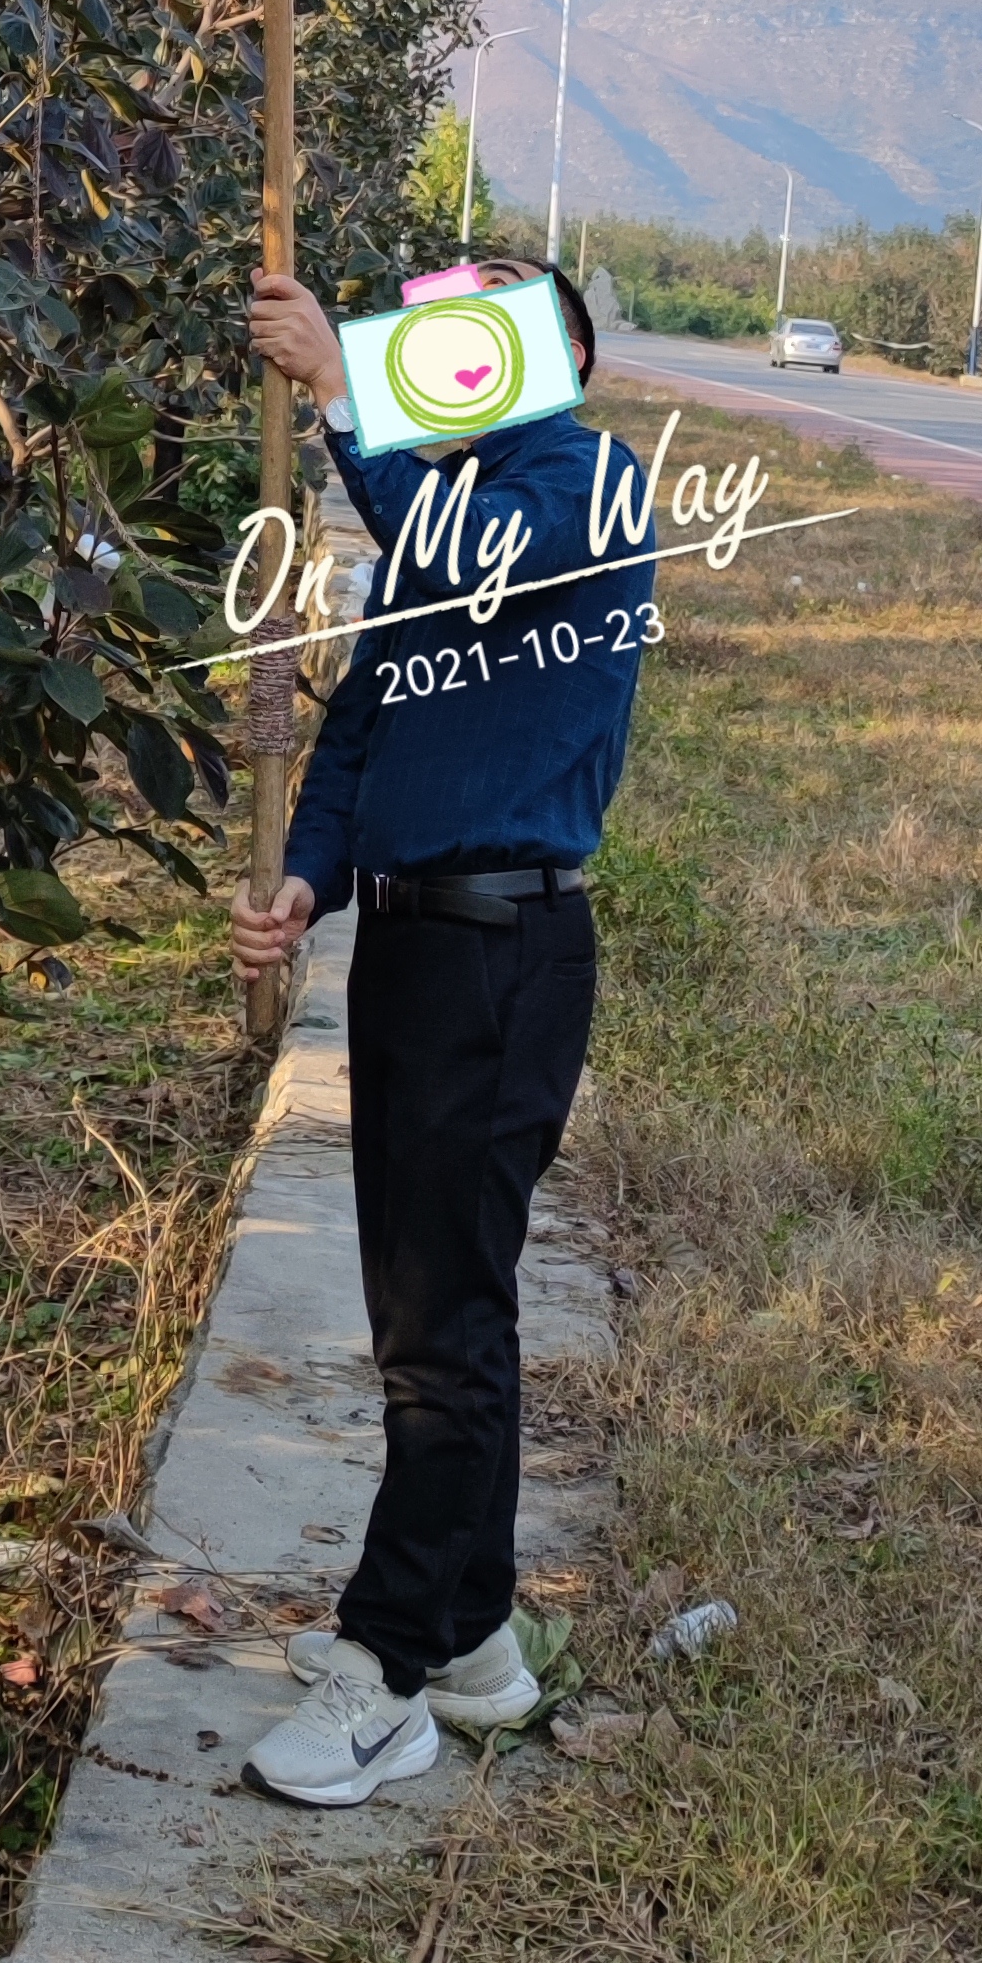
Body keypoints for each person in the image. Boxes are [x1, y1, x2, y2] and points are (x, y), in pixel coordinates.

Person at [231, 253, 653, 1807]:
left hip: (505, 955)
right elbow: (368, 719)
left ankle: (386, 1666)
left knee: (443, 1332)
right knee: (429, 1316)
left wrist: (343, 394)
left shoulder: (583, 489)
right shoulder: (443, 504)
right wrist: (306, 873)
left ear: (561, 360)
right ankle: (476, 1650)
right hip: (414, 952)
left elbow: (472, 563)